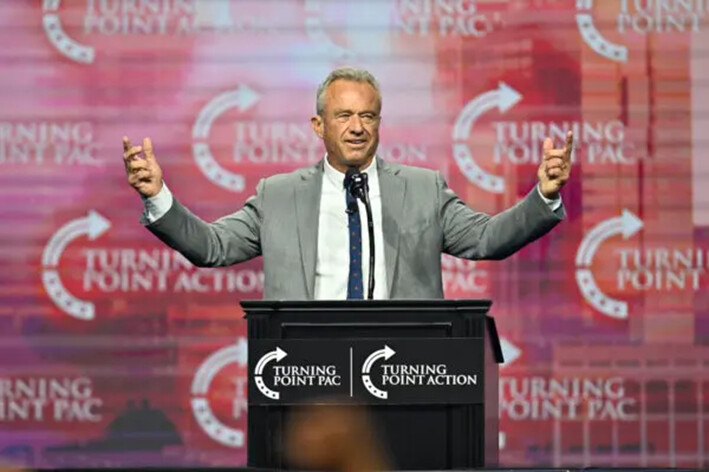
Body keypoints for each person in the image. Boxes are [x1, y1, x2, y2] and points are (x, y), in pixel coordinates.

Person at [122, 67, 572, 300]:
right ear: (319, 125)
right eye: (344, 116)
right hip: (306, 370)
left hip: (407, 371)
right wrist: (157, 196)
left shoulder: (423, 189)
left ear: (379, 123)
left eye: (367, 116)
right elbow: (212, 247)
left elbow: (486, 239)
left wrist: (544, 195)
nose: (357, 127)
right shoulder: (278, 196)